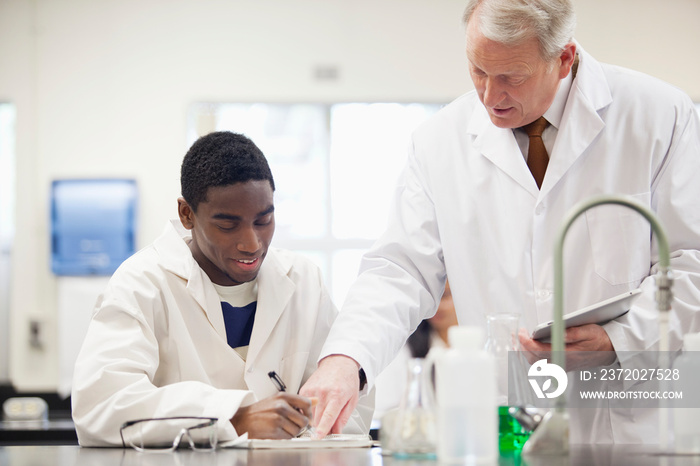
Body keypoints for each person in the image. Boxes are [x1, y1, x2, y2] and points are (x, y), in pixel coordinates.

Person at [300, 0, 700, 444]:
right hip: (505, 421)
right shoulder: (439, 141)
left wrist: (620, 339)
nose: (489, 96)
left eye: (511, 77)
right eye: (477, 71)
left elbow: (691, 260)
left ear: (564, 58)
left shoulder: (659, 116)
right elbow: (400, 270)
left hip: (626, 420)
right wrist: (344, 358)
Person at [71, 131, 373, 447]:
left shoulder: (303, 280)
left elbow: (346, 408)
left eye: (264, 220)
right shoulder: (142, 284)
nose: (251, 243)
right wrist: (232, 418)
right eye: (227, 225)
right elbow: (101, 406)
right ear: (186, 214)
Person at [373, 281, 458, 421]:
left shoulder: (480, 348)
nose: (436, 307)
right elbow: (386, 411)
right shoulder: (407, 348)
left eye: (446, 296)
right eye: (430, 299)